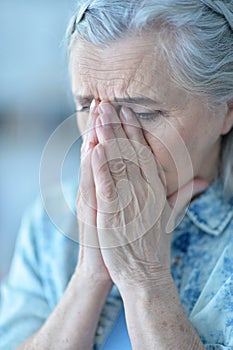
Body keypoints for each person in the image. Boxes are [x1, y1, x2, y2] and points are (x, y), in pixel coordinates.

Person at [0, 0, 233, 349]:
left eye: (140, 113)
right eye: (85, 107)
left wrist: (144, 278)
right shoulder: (49, 227)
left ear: (226, 109)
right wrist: (89, 277)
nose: (106, 138)